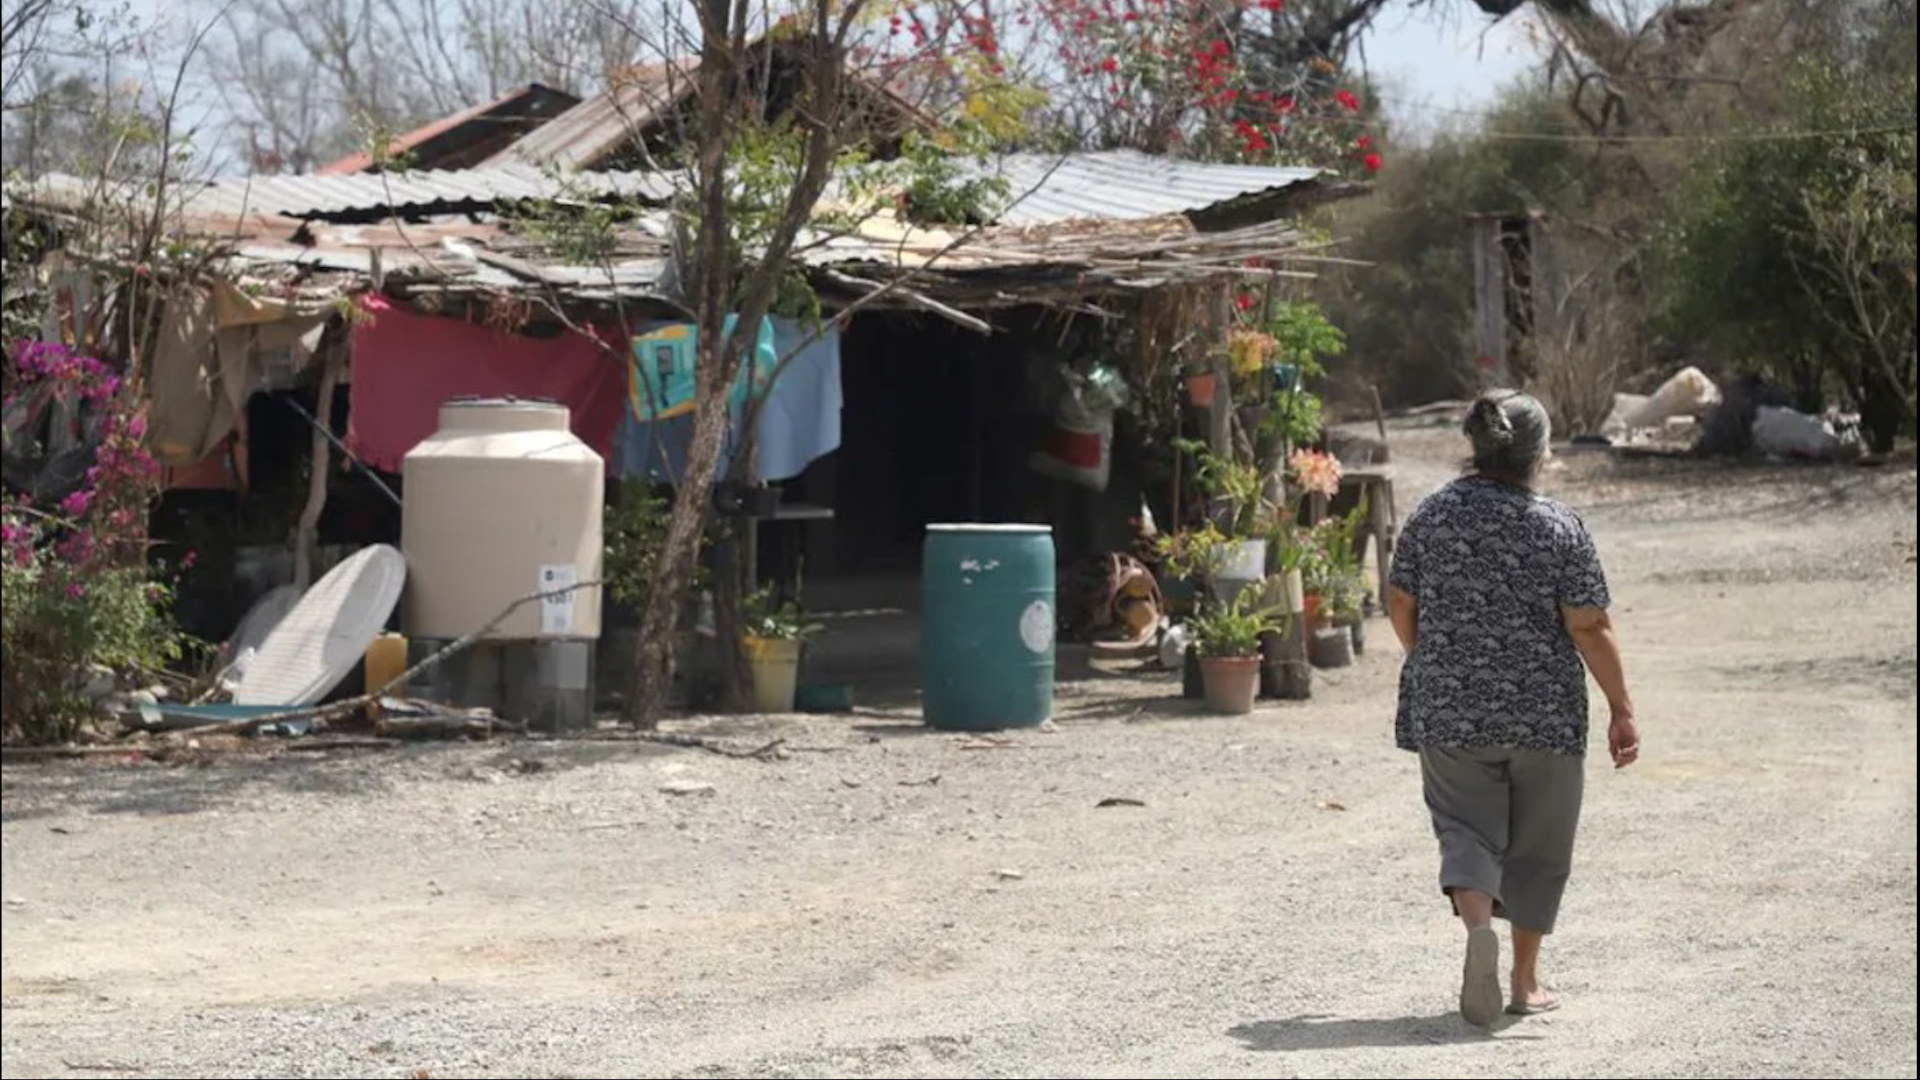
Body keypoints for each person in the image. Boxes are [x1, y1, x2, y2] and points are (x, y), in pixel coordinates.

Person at [1386, 390, 1640, 1028]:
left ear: (1476, 445)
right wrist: (1621, 708)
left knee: (1465, 829)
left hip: (1450, 709)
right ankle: (1525, 983)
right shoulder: (1559, 525)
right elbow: (1589, 625)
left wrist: (1432, 659)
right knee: (1538, 848)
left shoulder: (1431, 516)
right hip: (1544, 716)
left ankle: (1479, 929)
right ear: (1540, 453)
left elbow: (1399, 601)